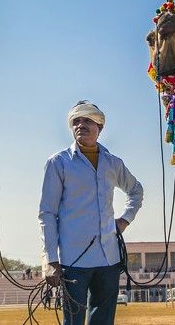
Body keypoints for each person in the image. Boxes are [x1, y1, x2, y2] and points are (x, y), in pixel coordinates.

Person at [39, 100, 144, 325]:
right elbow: (47, 213)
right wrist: (51, 260)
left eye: (87, 120)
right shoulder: (58, 163)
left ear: (100, 127)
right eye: (76, 121)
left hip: (109, 259)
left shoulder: (113, 163)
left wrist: (125, 220)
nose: (81, 125)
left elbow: (136, 191)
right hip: (72, 261)